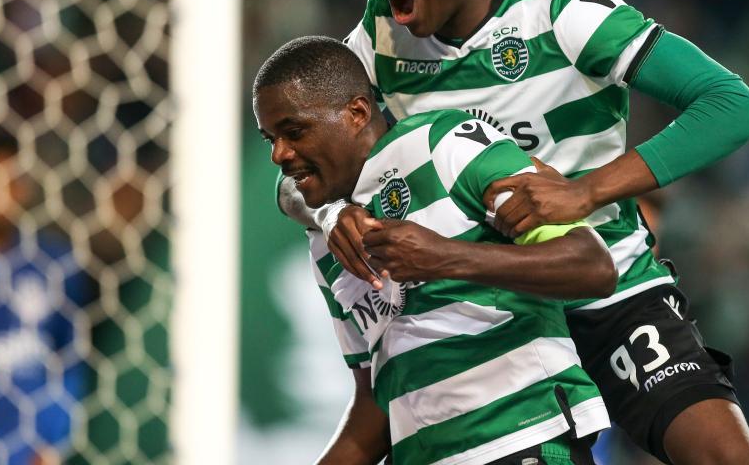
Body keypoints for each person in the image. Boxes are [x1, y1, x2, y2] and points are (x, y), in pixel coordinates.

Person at [279, 0, 749, 464]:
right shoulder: (378, 41)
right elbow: (300, 167)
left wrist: (586, 192)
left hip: (605, 288)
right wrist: (331, 215)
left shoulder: (562, 13)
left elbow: (731, 105)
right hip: (491, 312)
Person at [255, 36, 620, 465]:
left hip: (522, 435)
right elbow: (376, 400)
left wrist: (445, 257)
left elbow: (592, 264)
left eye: (294, 132)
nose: (280, 153)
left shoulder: (444, 143)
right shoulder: (326, 245)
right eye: (270, 139)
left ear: (357, 112)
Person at [0, 133, 85, 465]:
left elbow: (71, 357)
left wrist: (53, 442)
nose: (3, 194)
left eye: (14, 182)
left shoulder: (52, 262)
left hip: (29, 450)